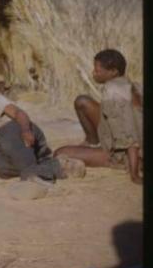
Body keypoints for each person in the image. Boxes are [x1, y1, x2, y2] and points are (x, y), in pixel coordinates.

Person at [54, 49, 143, 184]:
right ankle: (92, 142)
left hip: (124, 154)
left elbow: (130, 136)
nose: (93, 73)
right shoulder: (132, 85)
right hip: (128, 144)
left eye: (97, 70)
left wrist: (134, 174)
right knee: (82, 101)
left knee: (60, 153)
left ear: (113, 71)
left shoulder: (112, 92)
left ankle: (117, 161)